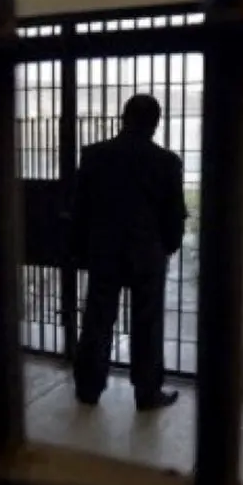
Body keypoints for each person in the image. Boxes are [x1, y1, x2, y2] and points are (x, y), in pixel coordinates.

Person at [71, 94, 187, 411]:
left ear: (123, 118)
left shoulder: (94, 155)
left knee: (97, 319)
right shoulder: (167, 162)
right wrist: (168, 245)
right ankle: (147, 392)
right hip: (147, 254)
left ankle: (88, 388)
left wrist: (83, 247)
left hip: (104, 250)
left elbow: (80, 208)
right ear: (155, 123)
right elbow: (174, 215)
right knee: (147, 324)